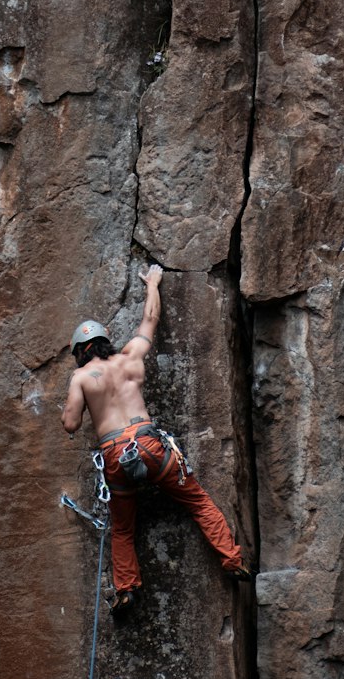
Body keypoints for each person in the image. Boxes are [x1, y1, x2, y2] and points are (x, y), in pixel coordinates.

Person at [61, 263, 252, 615]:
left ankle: (127, 590)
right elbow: (149, 320)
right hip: (151, 446)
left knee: (122, 529)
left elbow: (71, 423)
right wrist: (153, 282)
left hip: (116, 455)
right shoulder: (130, 356)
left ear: (79, 351)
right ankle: (232, 559)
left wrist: (76, 402)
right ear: (105, 341)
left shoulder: (81, 378)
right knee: (197, 501)